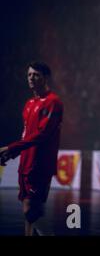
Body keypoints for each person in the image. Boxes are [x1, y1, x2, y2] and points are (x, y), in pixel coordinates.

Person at [0, 61, 63, 236]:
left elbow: (42, 135)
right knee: (28, 215)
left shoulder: (53, 102)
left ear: (45, 77)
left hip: (40, 165)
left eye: (36, 75)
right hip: (25, 164)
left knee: (32, 211)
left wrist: (10, 147)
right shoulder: (29, 104)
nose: (31, 78)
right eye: (29, 74)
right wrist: (12, 153)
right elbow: (26, 135)